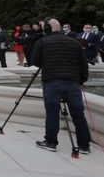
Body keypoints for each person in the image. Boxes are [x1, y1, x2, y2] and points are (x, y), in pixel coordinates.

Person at [32, 18, 91, 154]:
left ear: (47, 28)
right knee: (78, 114)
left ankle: (50, 142)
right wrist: (81, 80)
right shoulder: (75, 42)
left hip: (52, 80)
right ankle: (84, 145)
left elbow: (36, 62)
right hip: (73, 82)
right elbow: (83, 65)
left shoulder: (42, 42)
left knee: (52, 112)